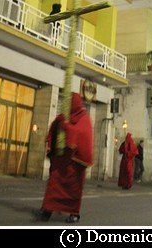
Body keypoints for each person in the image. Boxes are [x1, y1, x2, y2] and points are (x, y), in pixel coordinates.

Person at [37, 92, 93, 223]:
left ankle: (74, 213)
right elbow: (53, 129)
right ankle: (48, 209)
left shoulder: (84, 118)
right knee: (54, 187)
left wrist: (67, 127)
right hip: (60, 159)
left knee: (73, 190)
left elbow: (82, 135)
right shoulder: (62, 117)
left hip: (74, 162)